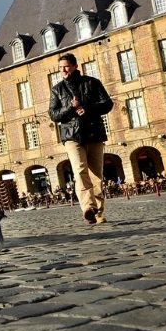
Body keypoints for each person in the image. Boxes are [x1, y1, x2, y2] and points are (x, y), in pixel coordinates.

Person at [49, 53, 113, 224]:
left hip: (94, 133)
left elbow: (108, 104)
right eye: (61, 67)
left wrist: (88, 108)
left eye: (67, 66)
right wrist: (71, 108)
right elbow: (54, 115)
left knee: (96, 175)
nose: (63, 70)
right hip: (71, 136)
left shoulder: (92, 82)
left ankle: (98, 213)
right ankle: (88, 208)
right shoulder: (57, 89)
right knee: (79, 170)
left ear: (75, 66)